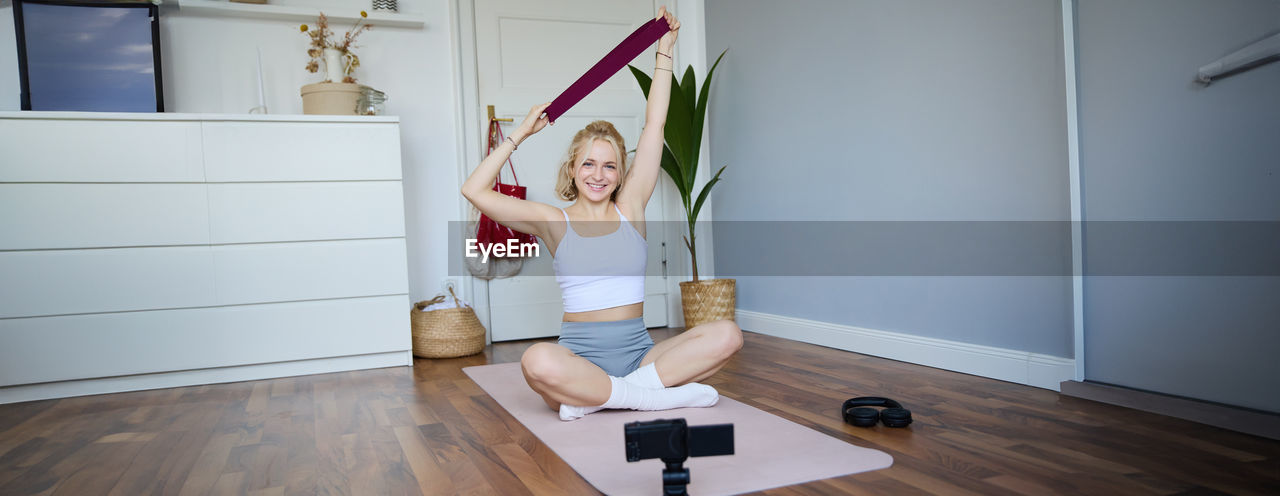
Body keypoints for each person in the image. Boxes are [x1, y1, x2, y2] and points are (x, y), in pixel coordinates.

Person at [461, 7, 742, 421]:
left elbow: (655, 125)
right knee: (537, 361)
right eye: (588, 164)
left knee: (727, 334)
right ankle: (646, 398)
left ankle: (616, 395)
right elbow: (474, 189)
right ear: (573, 170)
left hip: (642, 358)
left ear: (620, 173)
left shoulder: (631, 207)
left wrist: (664, 52)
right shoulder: (554, 221)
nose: (598, 174)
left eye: (609, 165)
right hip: (579, 364)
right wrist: (520, 133)